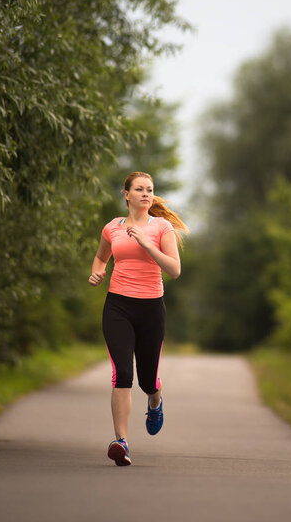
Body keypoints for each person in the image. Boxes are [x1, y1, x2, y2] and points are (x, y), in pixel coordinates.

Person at [88, 171, 187, 466]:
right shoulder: (112, 228)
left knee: (146, 379)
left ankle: (155, 401)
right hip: (118, 306)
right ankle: (121, 442)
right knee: (122, 373)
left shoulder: (161, 227)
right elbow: (101, 257)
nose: (146, 194)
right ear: (126, 194)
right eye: (140, 189)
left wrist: (147, 244)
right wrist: (97, 271)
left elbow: (175, 270)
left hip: (150, 309)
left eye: (150, 190)